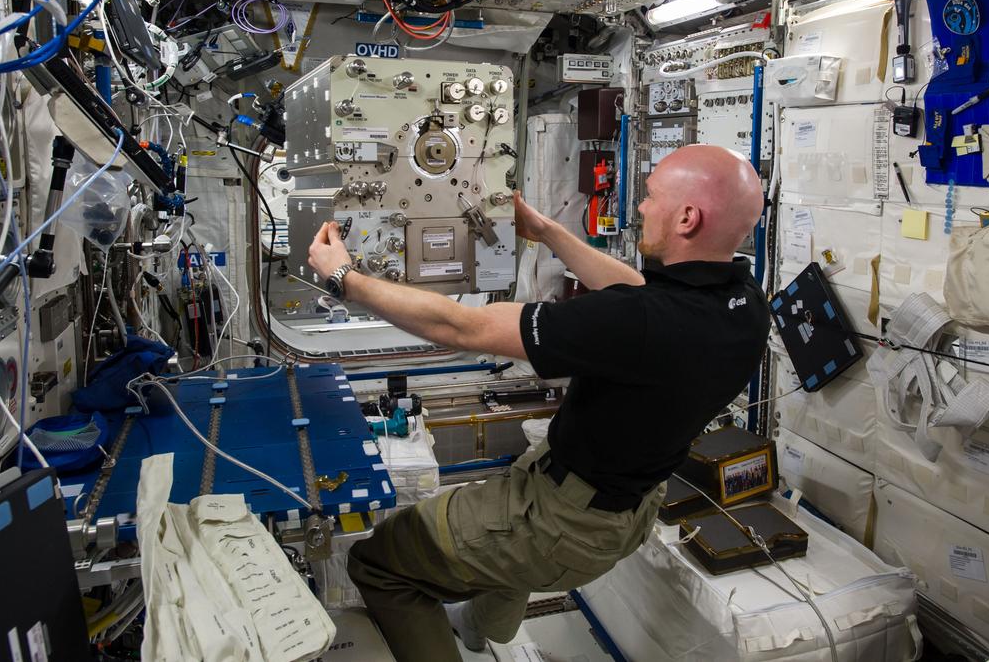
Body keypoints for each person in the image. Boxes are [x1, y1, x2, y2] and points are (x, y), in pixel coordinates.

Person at [307, 144, 769, 661]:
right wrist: (546, 231)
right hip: (627, 512)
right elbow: (638, 291)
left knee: (380, 562)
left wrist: (345, 278)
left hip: (562, 525)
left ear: (687, 218)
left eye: (650, 196)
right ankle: (480, 627)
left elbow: (462, 327)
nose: (640, 207)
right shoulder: (746, 305)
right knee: (505, 523)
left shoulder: (635, 323)